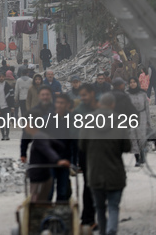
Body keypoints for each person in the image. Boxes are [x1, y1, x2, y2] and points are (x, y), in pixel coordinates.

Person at [79, 93, 131, 235]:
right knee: (113, 207)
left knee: (100, 208)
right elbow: (127, 147)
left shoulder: (88, 120)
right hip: (115, 173)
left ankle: (103, 231)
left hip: (95, 173)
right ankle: (111, 230)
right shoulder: (120, 121)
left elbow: (82, 146)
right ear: (113, 105)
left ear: (100, 104)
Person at [24, 107, 70, 202]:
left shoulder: (38, 137)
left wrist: (57, 160)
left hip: (39, 179)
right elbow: (59, 146)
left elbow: (47, 150)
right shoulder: (42, 135)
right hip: (42, 176)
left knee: (37, 204)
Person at [73, 84, 99, 228]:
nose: (83, 98)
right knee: (90, 186)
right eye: (81, 95)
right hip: (85, 154)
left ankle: (91, 217)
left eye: (85, 95)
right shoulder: (79, 112)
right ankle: (88, 218)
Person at [127, 77, 150, 166]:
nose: (132, 84)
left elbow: (147, 108)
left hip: (142, 116)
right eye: (131, 82)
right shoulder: (127, 94)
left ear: (137, 83)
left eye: (134, 82)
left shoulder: (143, 94)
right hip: (131, 117)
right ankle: (137, 158)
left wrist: (148, 121)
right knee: (133, 138)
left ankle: (142, 155)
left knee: (141, 138)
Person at [0, 72, 15, 140]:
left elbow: (12, 97)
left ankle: (7, 135)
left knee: (7, 121)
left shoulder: (8, 86)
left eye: (2, 77)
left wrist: (12, 107)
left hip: (6, 106)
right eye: (0, 77)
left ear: (4, 77)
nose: (1, 78)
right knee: (1, 122)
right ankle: (3, 135)